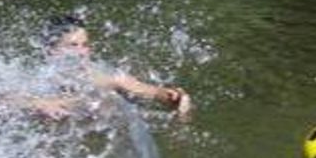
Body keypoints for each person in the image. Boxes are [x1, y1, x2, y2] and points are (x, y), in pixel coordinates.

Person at [28, 14, 193, 118]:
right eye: (73, 46)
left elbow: (151, 91)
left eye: (85, 45)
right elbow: (5, 100)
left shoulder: (104, 78)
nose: (82, 52)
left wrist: (173, 96)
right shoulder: (37, 78)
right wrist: (41, 103)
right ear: (51, 51)